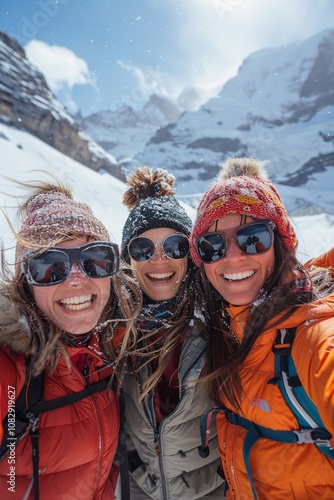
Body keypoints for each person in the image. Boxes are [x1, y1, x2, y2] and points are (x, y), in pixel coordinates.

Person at [190, 157, 334, 499]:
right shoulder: (225, 329)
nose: (233, 256)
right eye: (211, 246)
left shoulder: (315, 338)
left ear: (281, 243)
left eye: (253, 238)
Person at [0, 177, 141, 499]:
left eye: (95, 260)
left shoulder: (113, 349)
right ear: (26, 282)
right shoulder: (10, 365)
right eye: (49, 266)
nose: (77, 280)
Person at [119, 166, 225, 499]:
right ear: (128, 260)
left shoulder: (220, 321)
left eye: (175, 246)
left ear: (191, 256)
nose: (160, 260)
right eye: (142, 249)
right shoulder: (111, 330)